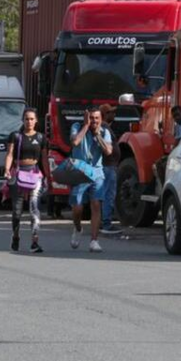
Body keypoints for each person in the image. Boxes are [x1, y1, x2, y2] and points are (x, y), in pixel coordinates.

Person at [3, 108, 50, 253]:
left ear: (36, 121)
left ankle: (34, 242)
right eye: (26, 119)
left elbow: (43, 159)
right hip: (19, 174)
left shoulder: (41, 138)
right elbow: (10, 154)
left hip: (35, 174)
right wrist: (6, 169)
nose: (29, 122)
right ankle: (16, 236)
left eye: (31, 119)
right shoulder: (15, 136)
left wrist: (48, 176)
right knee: (17, 211)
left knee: (34, 208)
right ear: (23, 121)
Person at [68, 107, 112, 253]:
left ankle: (94, 240)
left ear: (101, 119)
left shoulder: (104, 132)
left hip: (96, 172)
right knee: (77, 207)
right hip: (79, 171)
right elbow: (74, 142)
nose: (94, 121)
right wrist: (86, 127)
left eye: (96, 118)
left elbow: (108, 151)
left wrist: (98, 136)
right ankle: (78, 227)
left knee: (96, 205)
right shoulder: (77, 127)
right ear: (86, 118)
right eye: (91, 118)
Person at [99, 104, 121, 235]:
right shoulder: (104, 127)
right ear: (105, 114)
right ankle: (106, 223)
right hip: (108, 166)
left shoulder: (105, 127)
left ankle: (104, 221)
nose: (114, 114)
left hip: (109, 165)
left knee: (105, 194)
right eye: (111, 112)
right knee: (108, 194)